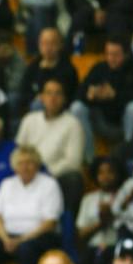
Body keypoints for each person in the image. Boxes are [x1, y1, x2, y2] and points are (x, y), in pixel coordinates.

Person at [0, 145, 63, 264]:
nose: (25, 167)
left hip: (40, 236)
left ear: (37, 165)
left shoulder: (49, 184)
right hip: (9, 236)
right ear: (14, 166)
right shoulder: (7, 184)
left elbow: (50, 222)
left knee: (26, 250)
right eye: (21, 163)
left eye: (29, 162)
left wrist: (21, 240)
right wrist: (5, 239)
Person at [69, 35, 133, 164]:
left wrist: (115, 96)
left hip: (128, 122)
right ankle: (90, 160)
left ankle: (131, 161)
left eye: (115, 55)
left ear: (126, 54)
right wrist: (91, 95)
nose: (110, 58)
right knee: (77, 108)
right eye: (108, 54)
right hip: (102, 121)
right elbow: (80, 92)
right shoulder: (100, 68)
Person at [16, 78, 85, 214]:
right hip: (27, 171)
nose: (53, 98)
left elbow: (73, 161)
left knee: (74, 179)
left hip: (55, 175)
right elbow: (18, 151)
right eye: (49, 93)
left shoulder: (73, 123)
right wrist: (27, 171)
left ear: (64, 98)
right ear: (41, 97)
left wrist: (45, 174)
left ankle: (67, 226)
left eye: (58, 93)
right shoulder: (29, 119)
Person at [75, 156, 124, 264]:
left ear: (118, 174)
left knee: (102, 261)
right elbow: (81, 233)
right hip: (93, 246)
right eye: (101, 172)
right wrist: (100, 223)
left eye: (110, 172)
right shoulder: (88, 199)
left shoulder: (125, 197)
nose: (105, 176)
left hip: (116, 245)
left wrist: (110, 215)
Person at [19, 27, 79, 115]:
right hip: (35, 104)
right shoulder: (33, 66)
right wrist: (35, 97)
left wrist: (48, 98)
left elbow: (70, 95)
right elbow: (24, 90)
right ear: (39, 45)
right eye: (44, 43)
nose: (48, 47)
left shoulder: (68, 68)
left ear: (60, 45)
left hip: (61, 108)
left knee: (39, 104)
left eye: (52, 43)